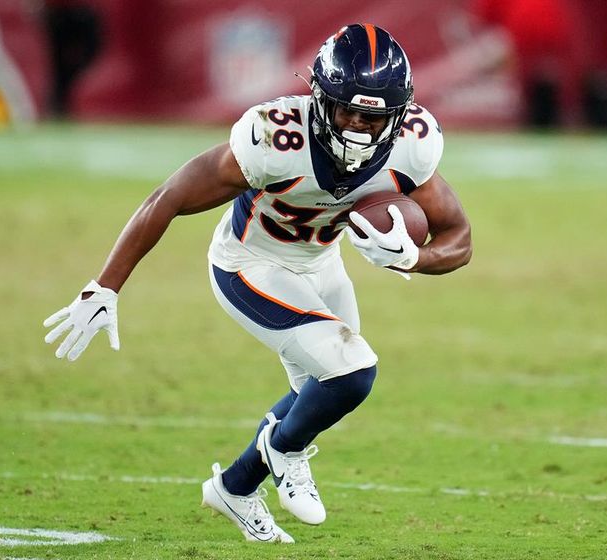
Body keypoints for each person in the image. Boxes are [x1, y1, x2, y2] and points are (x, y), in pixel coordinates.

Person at [43, 23, 472, 543]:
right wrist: (106, 285)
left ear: (399, 115)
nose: (359, 128)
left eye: (374, 115)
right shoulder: (275, 138)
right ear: (319, 97)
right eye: (347, 111)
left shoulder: (411, 149)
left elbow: (460, 239)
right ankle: (284, 451)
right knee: (353, 372)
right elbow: (170, 196)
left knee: (322, 389)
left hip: (319, 262)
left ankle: (235, 486)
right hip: (249, 263)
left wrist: (414, 257)